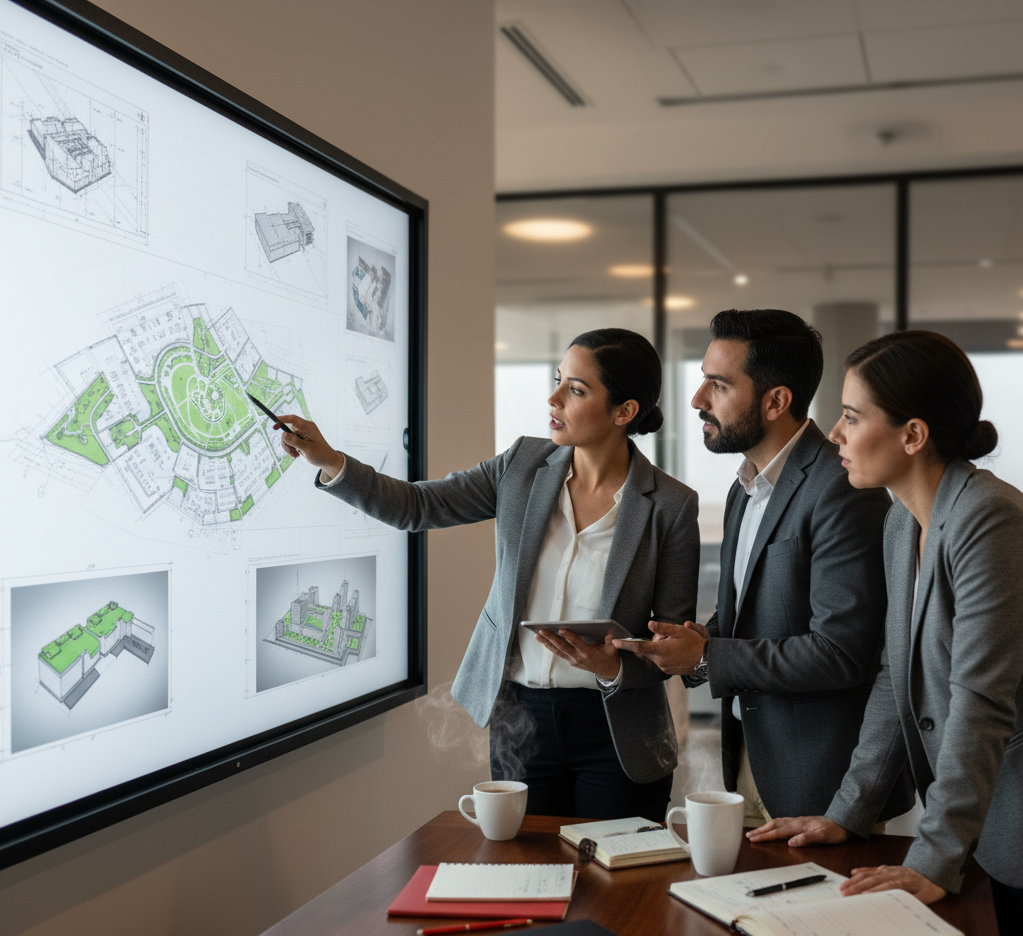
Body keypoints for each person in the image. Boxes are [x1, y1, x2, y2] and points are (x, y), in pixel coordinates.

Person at [274, 329, 700, 822]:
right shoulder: (522, 465)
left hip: (618, 728)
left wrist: (613, 667)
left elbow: (673, 646)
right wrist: (329, 460)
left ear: (624, 412)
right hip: (522, 719)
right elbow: (418, 505)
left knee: (615, 887)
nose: (553, 398)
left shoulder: (670, 505)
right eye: (558, 380)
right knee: (527, 881)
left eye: (576, 390)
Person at [747, 331, 1023, 933]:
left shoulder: (988, 518)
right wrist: (847, 813)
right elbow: (895, 673)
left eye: (850, 416)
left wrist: (933, 855)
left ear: (913, 435)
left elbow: (980, 703)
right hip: (978, 824)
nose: (835, 435)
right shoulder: (902, 521)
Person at [616, 309, 913, 827]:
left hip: (824, 782)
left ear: (776, 401)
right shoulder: (743, 488)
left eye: (718, 385)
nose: (697, 401)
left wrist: (709, 653)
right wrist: (689, 647)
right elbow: (753, 620)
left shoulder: (841, 489)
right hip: (751, 761)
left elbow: (841, 653)